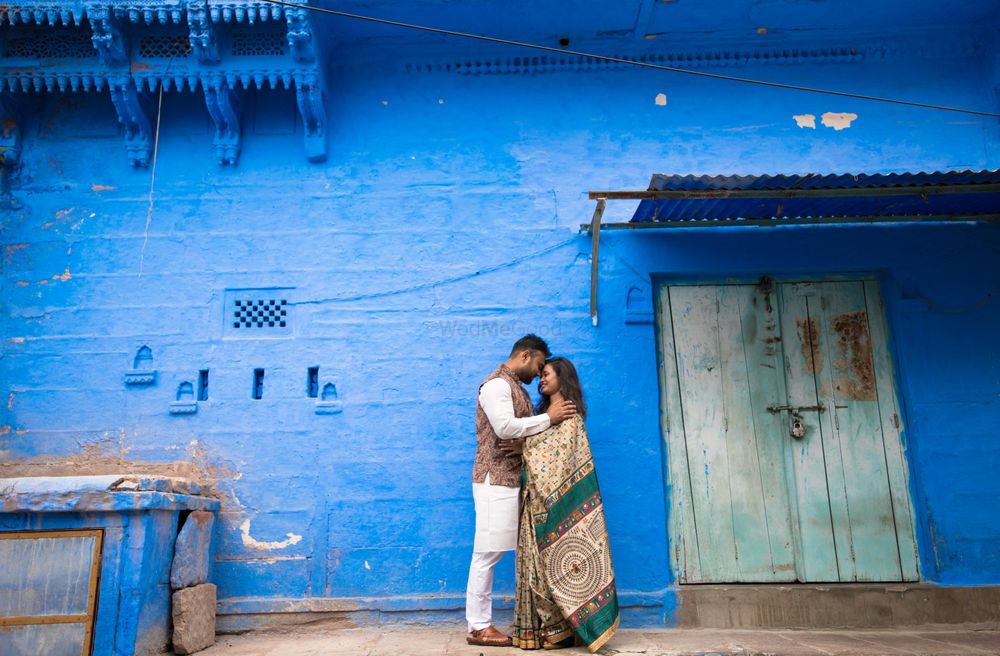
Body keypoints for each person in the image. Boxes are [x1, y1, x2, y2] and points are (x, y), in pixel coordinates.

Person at [466, 335, 578, 648]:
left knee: (498, 551)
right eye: (539, 365)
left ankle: (490, 623)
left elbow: (519, 435)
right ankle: (478, 626)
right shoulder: (496, 386)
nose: (539, 373)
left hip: (509, 481)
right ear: (525, 355)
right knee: (487, 553)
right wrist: (549, 418)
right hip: (494, 480)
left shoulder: (514, 386)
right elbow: (504, 428)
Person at [512, 357, 619, 652]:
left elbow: (554, 461)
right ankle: (549, 627)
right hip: (533, 505)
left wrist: (523, 445)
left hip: (557, 506)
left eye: (546, 374)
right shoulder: (545, 415)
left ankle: (561, 628)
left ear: (563, 377)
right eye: (541, 375)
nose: (541, 380)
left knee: (558, 564)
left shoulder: (570, 416)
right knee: (535, 568)